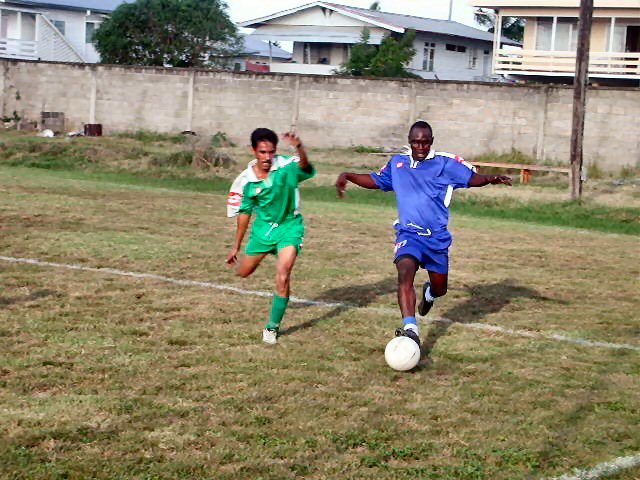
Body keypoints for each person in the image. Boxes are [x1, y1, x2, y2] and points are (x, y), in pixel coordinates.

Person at [335, 120, 511, 348]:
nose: (420, 147)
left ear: (431, 142)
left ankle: (430, 295)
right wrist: (348, 175)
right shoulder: (398, 164)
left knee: (440, 288)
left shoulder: (445, 164)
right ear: (409, 142)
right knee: (405, 271)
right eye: (416, 142)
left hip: (436, 239)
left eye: (425, 142)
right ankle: (410, 329)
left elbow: (471, 179)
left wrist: (491, 178)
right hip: (409, 234)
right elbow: (376, 181)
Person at [226, 127, 315, 345]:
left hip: (289, 228)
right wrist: (236, 246)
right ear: (253, 151)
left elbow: (304, 166)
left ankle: (272, 327)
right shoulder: (247, 180)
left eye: (271, 152)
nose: (267, 157)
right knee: (243, 273)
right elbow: (244, 214)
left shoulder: (285, 166)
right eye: (262, 152)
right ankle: (260, 256)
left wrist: (299, 147)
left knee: (283, 274)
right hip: (263, 233)